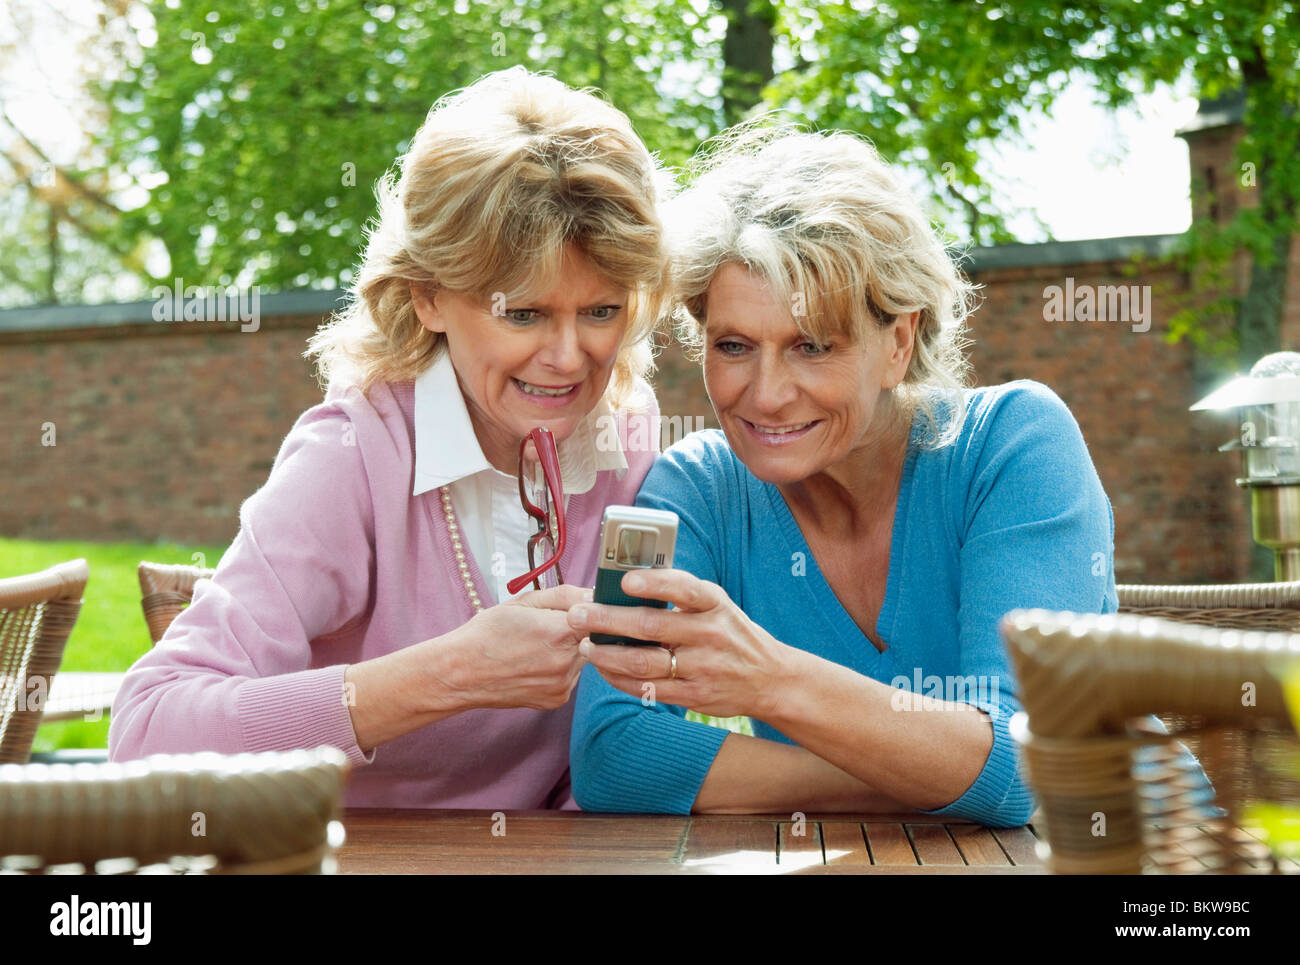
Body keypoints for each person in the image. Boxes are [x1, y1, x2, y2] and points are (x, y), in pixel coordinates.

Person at [108, 67, 670, 810]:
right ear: (429, 295)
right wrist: (447, 674)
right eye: (525, 315)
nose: (569, 358)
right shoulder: (353, 457)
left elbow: (615, 738)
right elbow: (147, 728)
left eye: (600, 312)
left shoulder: (627, 438)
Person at [566, 128, 1118, 826]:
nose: (765, 394)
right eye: (733, 346)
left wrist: (771, 680)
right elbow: (613, 753)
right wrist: (911, 770)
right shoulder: (695, 489)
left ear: (898, 341)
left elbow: (1019, 767)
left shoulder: (1014, 444)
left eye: (813, 346)